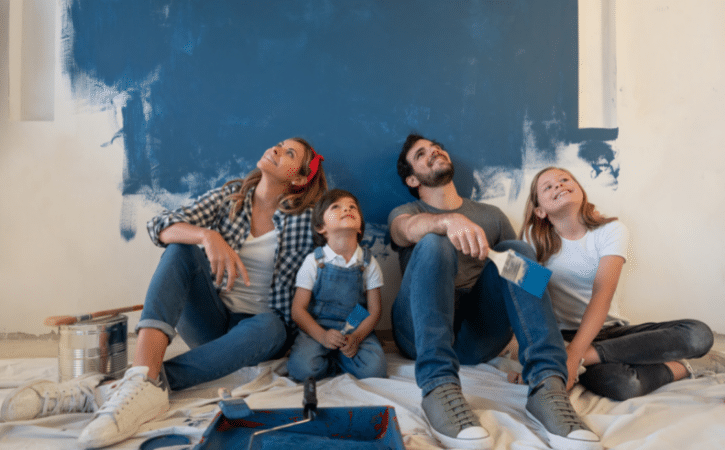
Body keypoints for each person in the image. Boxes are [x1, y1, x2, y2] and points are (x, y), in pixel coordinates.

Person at [1, 138, 327, 448]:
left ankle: (115, 387)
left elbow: (336, 263)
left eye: (290, 154)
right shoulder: (232, 197)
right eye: (279, 146)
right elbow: (160, 225)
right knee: (180, 249)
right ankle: (144, 376)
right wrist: (206, 237)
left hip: (260, 332)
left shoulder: (306, 220)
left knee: (271, 324)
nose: (277, 150)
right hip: (212, 323)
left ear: (298, 178)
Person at [388, 134, 602, 450]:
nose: (434, 152)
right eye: (422, 154)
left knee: (518, 251)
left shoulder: (491, 215)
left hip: (478, 336)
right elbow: (404, 231)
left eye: (437, 148)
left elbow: (522, 284)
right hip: (419, 332)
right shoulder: (406, 211)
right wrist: (447, 221)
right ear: (411, 177)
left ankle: (547, 387)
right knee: (434, 242)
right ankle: (438, 388)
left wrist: (518, 344)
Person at [516, 166, 723, 400]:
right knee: (624, 385)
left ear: (580, 190)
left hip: (611, 331)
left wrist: (572, 356)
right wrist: (536, 357)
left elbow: (602, 293)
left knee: (698, 335)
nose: (559, 185)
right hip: (562, 337)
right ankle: (689, 366)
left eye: (565, 179)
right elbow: (529, 301)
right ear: (540, 211)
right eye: (548, 187)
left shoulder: (610, 231)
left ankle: (582, 356)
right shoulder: (532, 239)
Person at [287, 189, 387, 381]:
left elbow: (374, 310)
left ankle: (343, 354)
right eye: (336, 207)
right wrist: (322, 337)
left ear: (360, 228)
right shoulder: (314, 261)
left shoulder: (368, 262)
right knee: (301, 370)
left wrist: (356, 338)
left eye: (352, 207)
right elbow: (298, 310)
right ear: (320, 227)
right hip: (319, 325)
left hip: (356, 323)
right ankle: (332, 357)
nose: (347, 209)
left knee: (375, 371)